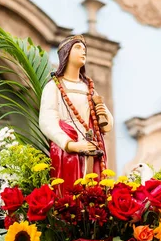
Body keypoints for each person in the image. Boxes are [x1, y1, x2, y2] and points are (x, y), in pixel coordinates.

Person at [39, 35, 113, 191]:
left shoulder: (89, 89)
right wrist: (72, 145)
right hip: (67, 152)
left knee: (94, 195)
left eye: (85, 49)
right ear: (66, 53)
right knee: (71, 196)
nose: (83, 52)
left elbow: (107, 127)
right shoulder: (54, 87)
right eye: (78, 48)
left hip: (92, 148)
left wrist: (102, 114)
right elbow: (47, 121)